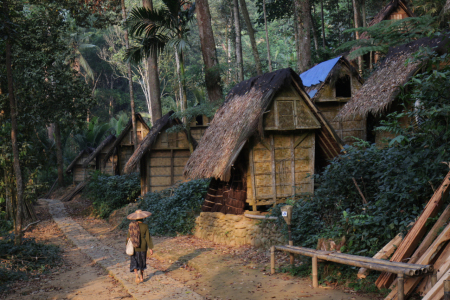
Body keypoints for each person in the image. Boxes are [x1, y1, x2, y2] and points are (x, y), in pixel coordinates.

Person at [126, 209, 153, 283]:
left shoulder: (132, 226)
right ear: (143, 218)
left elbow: (129, 236)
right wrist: (150, 248)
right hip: (143, 246)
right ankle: (141, 277)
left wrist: (126, 243)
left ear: (135, 218)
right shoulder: (145, 226)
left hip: (134, 246)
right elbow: (148, 237)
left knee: (134, 261)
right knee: (142, 261)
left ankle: (136, 274)